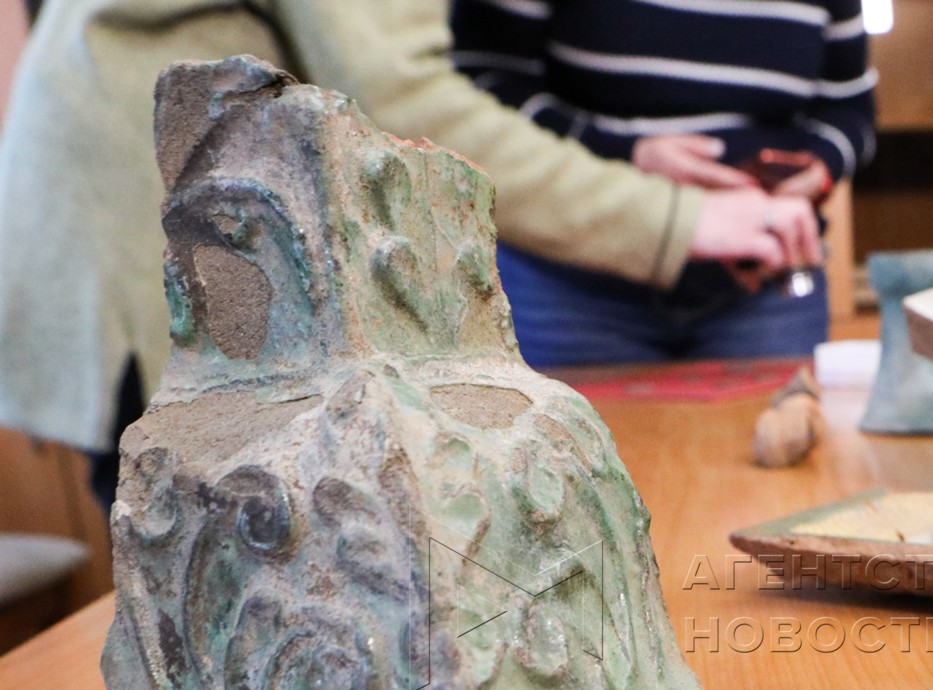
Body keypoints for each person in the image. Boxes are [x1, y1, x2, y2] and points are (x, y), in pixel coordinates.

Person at [0, 0, 824, 507]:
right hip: (148, 230)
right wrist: (672, 221)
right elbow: (406, 101)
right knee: (204, 563)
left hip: (157, 214)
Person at [450, 0, 876, 367]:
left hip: (764, 285)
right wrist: (626, 154)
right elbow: (479, 86)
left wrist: (818, 168)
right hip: (572, 286)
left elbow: (850, 109)